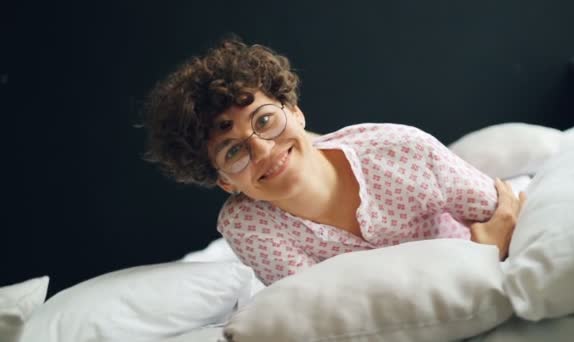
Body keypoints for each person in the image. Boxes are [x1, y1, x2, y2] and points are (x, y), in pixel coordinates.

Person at [143, 37, 526, 285]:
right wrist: (480, 255)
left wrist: (492, 246)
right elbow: (328, 309)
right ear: (226, 182)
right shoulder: (247, 226)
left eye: (265, 120)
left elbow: (504, 217)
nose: (263, 150)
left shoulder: (401, 149)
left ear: (295, 112)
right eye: (233, 151)